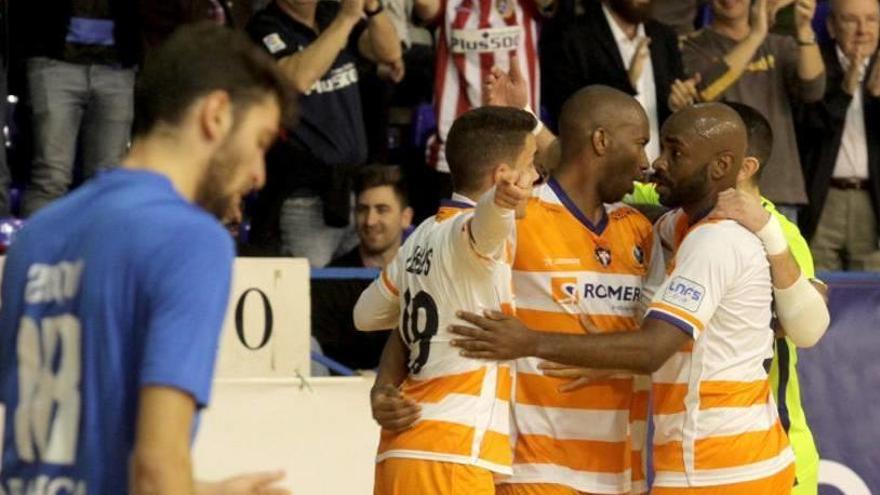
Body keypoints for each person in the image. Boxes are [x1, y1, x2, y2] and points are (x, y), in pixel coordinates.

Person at [0, 24, 292, 494]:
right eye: (259, 142)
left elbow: (68, 458)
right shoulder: (191, 239)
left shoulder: (38, 235)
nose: (259, 173)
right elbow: (155, 471)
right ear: (216, 114)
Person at [450, 103, 797, 493]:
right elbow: (437, 292)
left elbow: (652, 346)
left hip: (631, 470)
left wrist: (793, 275)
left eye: (669, 151)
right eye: (643, 144)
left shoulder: (644, 231)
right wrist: (391, 382)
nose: (650, 163)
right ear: (602, 142)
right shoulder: (517, 218)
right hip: (537, 469)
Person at [354, 106, 538, 495]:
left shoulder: (421, 235)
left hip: (400, 453)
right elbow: (486, 225)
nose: (536, 177)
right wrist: (501, 203)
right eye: (531, 164)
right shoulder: (473, 235)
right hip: (451, 458)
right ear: (503, 175)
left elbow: (365, 315)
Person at [246, 0, 401, 266]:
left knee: (355, 295)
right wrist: (347, 18)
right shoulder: (264, 26)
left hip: (353, 192)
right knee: (310, 294)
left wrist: (373, 9)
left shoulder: (331, 14)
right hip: (303, 199)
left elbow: (390, 53)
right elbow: (296, 78)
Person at [678, 0, 825, 220]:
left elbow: (814, 90)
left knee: (782, 255)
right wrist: (755, 36)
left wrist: (804, 30)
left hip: (779, 187)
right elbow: (705, 92)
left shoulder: (779, 44)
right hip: (721, 190)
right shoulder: (692, 45)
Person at [413, 0, 555, 207]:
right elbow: (425, 7)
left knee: (516, 232)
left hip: (519, 150)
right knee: (460, 231)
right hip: (456, 153)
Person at [13, 0, 139, 217]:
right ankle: (37, 250)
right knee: (51, 177)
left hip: (116, 66)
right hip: (54, 59)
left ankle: (100, 250)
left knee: (108, 181)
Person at [540, 0, 693, 162]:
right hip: (600, 173)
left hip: (655, 172)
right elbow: (569, 112)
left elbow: (667, 114)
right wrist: (626, 83)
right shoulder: (572, 37)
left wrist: (676, 105)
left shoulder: (664, 36)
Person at [798, 0, 880, 271]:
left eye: (871, 20)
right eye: (851, 20)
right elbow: (810, 128)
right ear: (832, 26)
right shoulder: (814, 62)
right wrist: (846, 89)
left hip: (872, 200)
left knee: (871, 299)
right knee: (820, 291)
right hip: (824, 197)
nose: (862, 30)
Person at [330, 164, 413, 268]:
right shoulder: (333, 278)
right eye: (362, 210)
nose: (370, 221)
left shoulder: (429, 276)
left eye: (382, 210)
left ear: (405, 218)